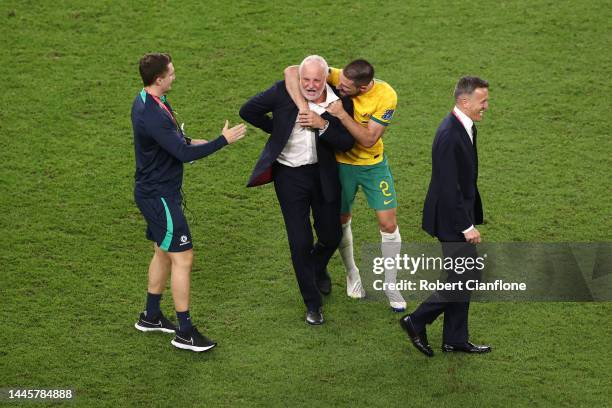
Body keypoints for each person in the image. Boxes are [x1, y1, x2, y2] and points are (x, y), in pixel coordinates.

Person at [131, 53, 246, 352]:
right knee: (183, 258)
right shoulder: (152, 113)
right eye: (170, 73)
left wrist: (202, 140)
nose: (174, 75)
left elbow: (175, 140)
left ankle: (151, 316)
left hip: (153, 192)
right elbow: (182, 154)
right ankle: (185, 332)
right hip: (160, 197)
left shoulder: (148, 99)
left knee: (161, 251)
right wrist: (222, 142)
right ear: (159, 79)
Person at [240, 55, 354, 325]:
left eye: (317, 80)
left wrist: (322, 124)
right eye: (306, 80)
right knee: (300, 241)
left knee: (331, 234)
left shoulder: (338, 102)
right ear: (299, 78)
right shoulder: (283, 91)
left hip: (323, 175)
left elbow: (346, 142)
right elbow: (248, 111)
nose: (311, 85)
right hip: (289, 176)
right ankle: (312, 303)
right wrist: (279, 130)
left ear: (325, 78)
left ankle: (317, 267)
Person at [284, 59, 406, 311]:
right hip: (340, 166)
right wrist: (301, 107)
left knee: (388, 222)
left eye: (345, 87)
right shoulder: (341, 77)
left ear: (361, 89)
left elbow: (369, 139)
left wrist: (340, 114)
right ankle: (352, 274)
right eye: (339, 81)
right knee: (341, 220)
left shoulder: (386, 96)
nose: (338, 87)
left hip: (373, 165)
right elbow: (291, 71)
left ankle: (391, 284)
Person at [399, 76, 492, 357]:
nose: (486, 106)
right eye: (483, 101)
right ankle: (416, 320)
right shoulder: (450, 135)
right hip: (451, 218)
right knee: (465, 277)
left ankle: (454, 338)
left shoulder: (464, 125)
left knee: (462, 275)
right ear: (465, 101)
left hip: (454, 213)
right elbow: (448, 186)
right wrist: (466, 225)